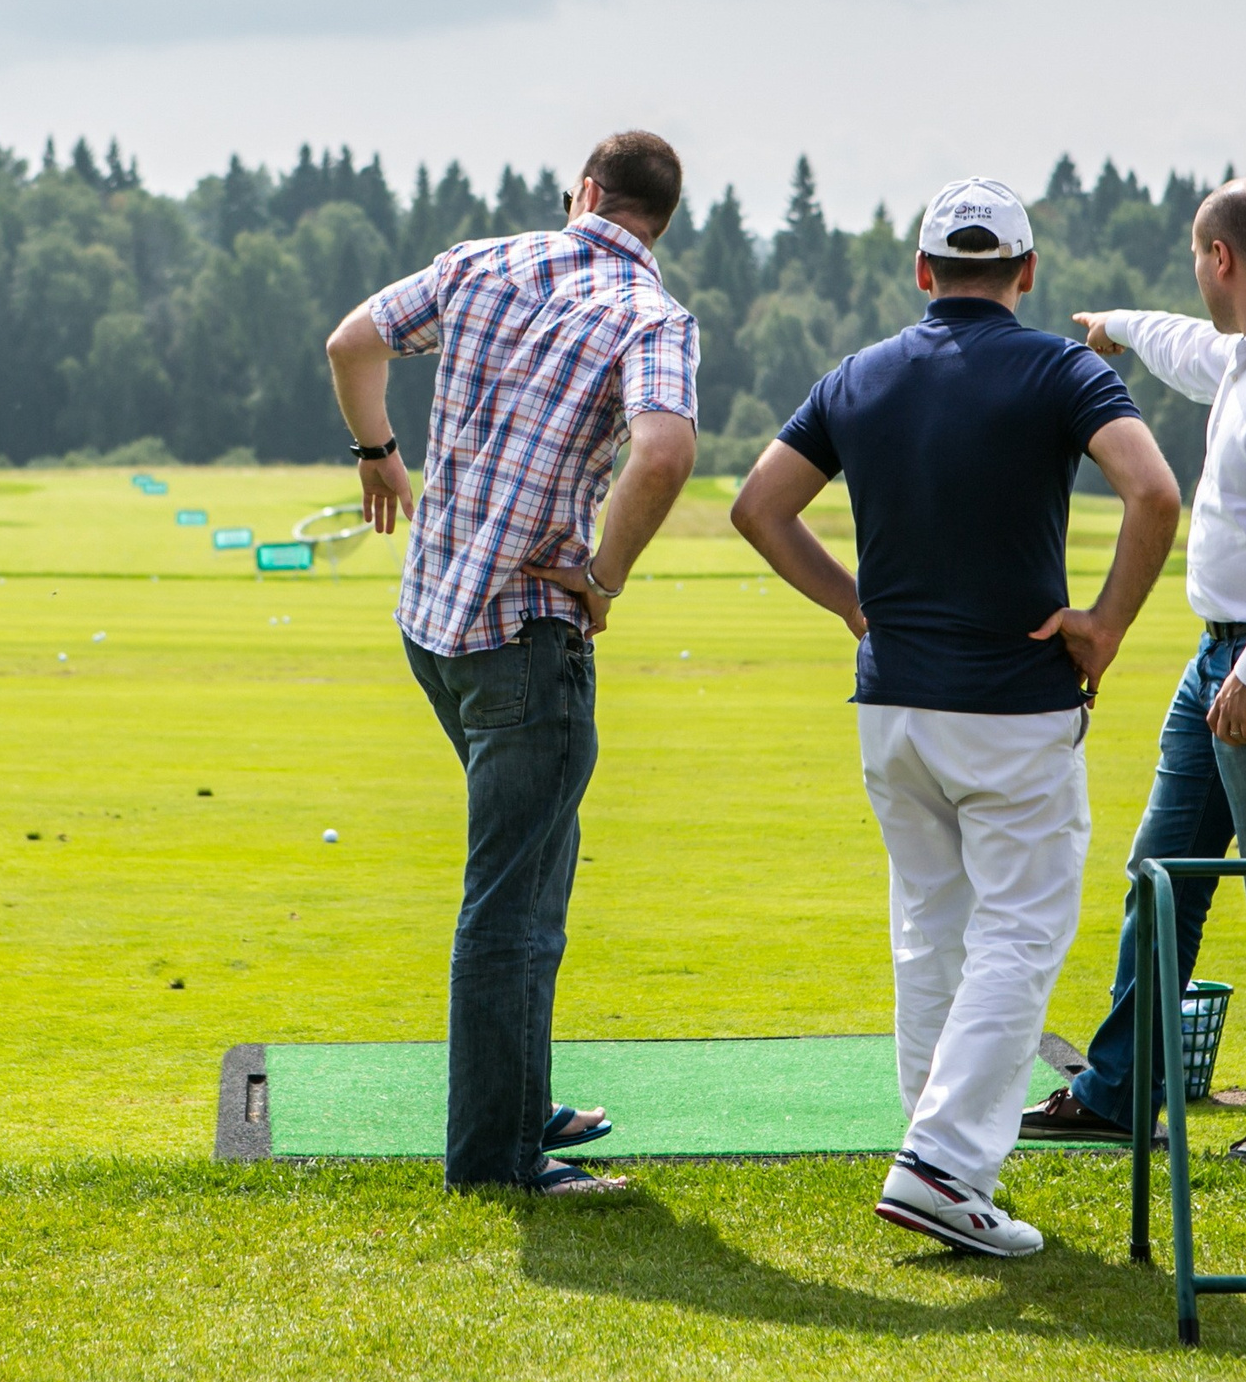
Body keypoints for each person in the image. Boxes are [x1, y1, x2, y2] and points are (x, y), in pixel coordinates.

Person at [731, 177, 1183, 1256]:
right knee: (1019, 934)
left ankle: (930, 1152)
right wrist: (1105, 627)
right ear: (1024, 274)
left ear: (924, 273)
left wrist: (853, 606)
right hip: (1012, 707)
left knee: (929, 927)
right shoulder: (1062, 368)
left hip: (890, 707)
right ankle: (940, 1166)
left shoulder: (856, 376)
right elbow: (1154, 493)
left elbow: (758, 508)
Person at [324, 130, 699, 1195]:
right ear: (657, 220)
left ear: (584, 193)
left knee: (532, 879)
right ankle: (496, 1160)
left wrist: (376, 453)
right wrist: (606, 577)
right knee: (514, 903)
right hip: (527, 637)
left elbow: (352, 343)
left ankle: (517, 1104)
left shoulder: (484, 262)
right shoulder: (653, 316)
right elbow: (665, 451)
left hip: (433, 628)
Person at [1023, 176, 1246, 1160]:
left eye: (1197, 258)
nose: (1197, 276)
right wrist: (1115, 328)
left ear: (1219, 257)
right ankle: (1116, 1094)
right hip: (1232, 656)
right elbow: (1192, 348)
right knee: (1161, 876)